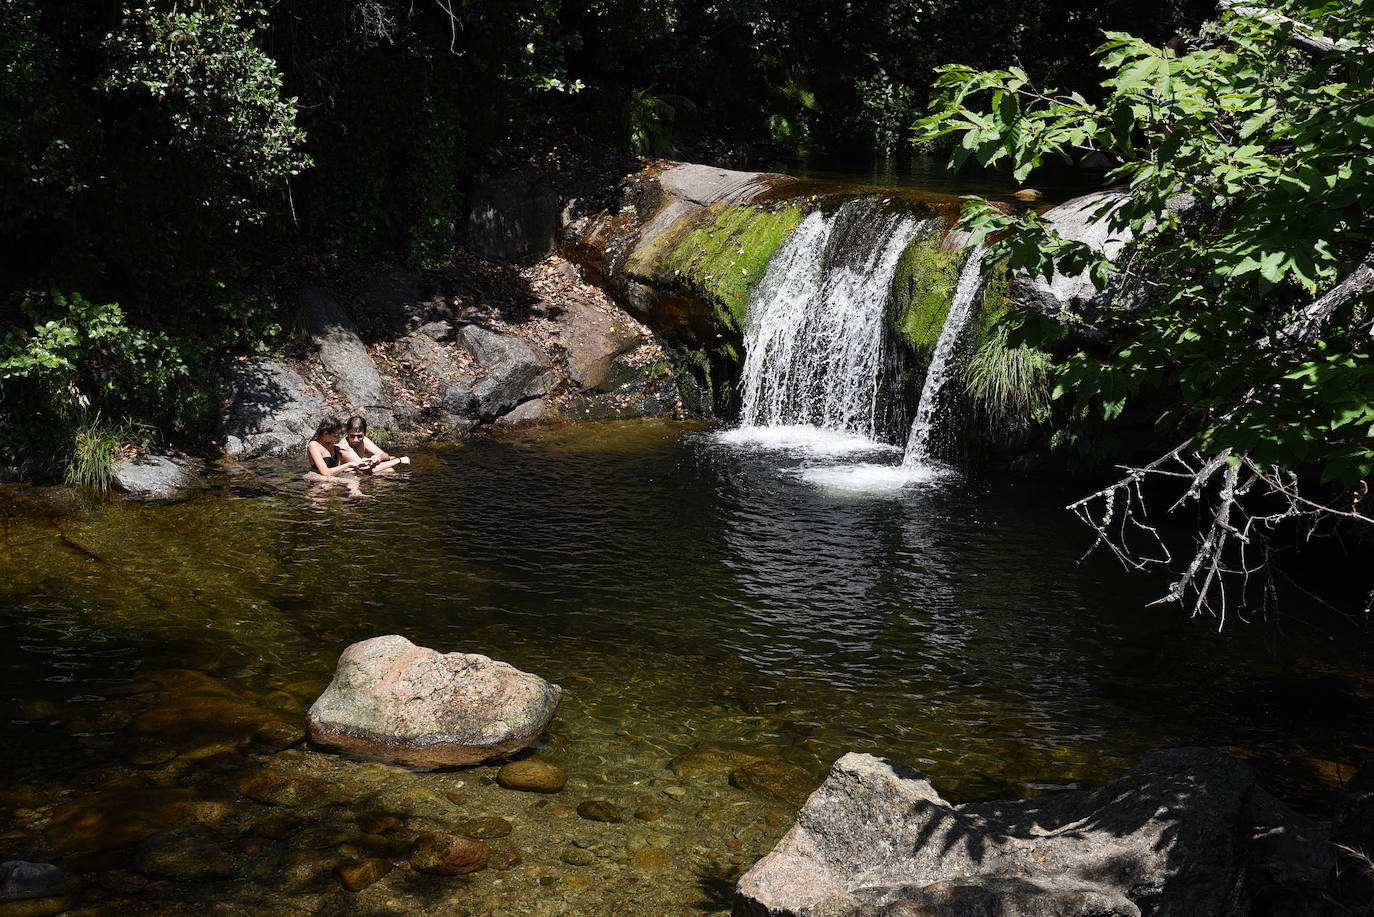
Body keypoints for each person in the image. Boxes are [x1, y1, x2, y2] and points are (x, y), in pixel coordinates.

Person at [343, 415, 410, 473]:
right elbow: (364, 469)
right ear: (347, 433)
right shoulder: (344, 447)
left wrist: (379, 458)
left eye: (359, 436)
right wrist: (399, 460)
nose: (356, 440)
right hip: (346, 476)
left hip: (359, 470)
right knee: (389, 470)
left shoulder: (364, 440)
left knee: (390, 467)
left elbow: (385, 455)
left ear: (365, 434)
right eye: (352, 436)